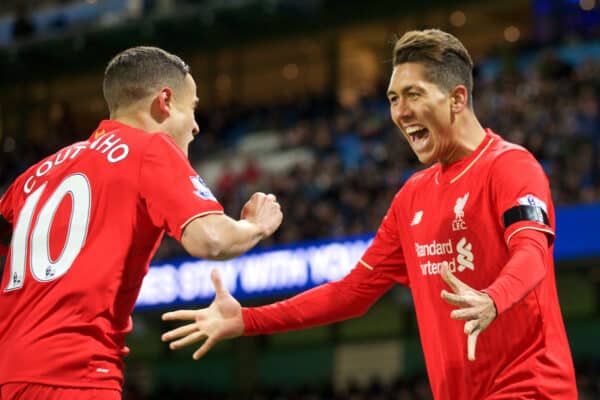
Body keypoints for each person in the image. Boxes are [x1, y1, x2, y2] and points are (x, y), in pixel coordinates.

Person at [161, 30, 578, 399]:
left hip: (533, 388)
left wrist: (492, 298)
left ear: (457, 98)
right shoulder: (412, 196)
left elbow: (531, 253)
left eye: (413, 94)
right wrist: (248, 320)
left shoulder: (509, 166)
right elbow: (351, 293)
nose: (399, 112)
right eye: (394, 99)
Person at [0, 46, 282, 400]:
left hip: (8, 377)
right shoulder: (149, 149)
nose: (195, 125)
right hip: (77, 375)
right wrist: (256, 226)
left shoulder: (35, 175)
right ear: (165, 101)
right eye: (191, 108)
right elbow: (211, 239)